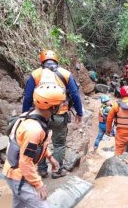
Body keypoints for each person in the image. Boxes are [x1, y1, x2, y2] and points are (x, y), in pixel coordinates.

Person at [3, 84, 64, 208]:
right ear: (53, 107)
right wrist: (38, 184)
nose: (61, 107)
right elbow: (25, 162)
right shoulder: (34, 130)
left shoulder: (27, 115)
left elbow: (35, 146)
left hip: (12, 172)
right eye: (59, 104)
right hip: (20, 176)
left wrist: (50, 157)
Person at [22, 50, 83, 179]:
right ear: (56, 60)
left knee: (40, 142)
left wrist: (25, 115)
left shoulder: (36, 74)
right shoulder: (66, 74)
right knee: (59, 144)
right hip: (60, 114)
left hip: (40, 115)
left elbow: (27, 97)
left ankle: (42, 170)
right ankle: (57, 170)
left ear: (42, 61)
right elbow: (75, 94)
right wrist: (79, 112)